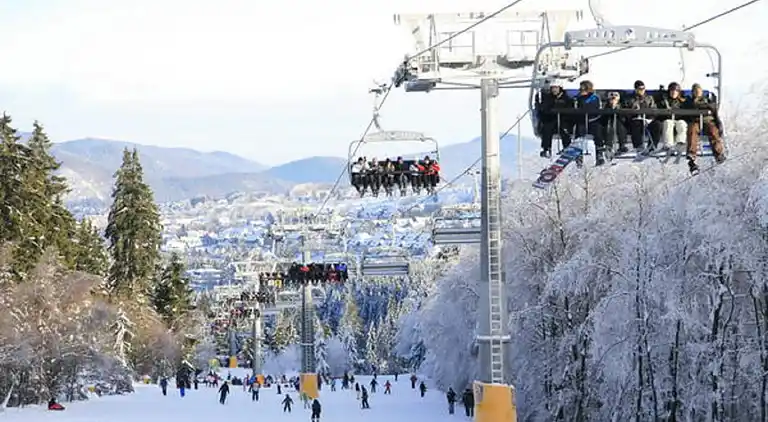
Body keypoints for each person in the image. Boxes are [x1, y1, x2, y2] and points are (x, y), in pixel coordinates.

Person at [684, 83, 726, 174]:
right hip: (695, 121)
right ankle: (692, 154)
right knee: (692, 131)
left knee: (713, 131)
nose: (697, 93)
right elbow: (687, 107)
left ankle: (718, 153)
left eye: (698, 91)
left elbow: (713, 107)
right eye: (695, 91)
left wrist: (704, 106)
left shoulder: (707, 99)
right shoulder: (689, 101)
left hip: (707, 120)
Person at [537, 84, 573, 158]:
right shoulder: (548, 98)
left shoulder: (566, 98)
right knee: (547, 128)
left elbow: (570, 109)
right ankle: (546, 148)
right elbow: (544, 108)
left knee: (564, 129)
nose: (554, 90)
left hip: (563, 120)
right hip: (551, 119)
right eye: (552, 88)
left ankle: (567, 147)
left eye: (556, 88)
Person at [656, 82, 687, 153]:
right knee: (668, 122)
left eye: (676, 91)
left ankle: (680, 143)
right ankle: (668, 145)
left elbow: (685, 111)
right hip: (668, 119)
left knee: (682, 123)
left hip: (678, 119)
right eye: (672, 90)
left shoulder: (681, 101)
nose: (674, 92)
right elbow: (659, 110)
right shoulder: (664, 101)